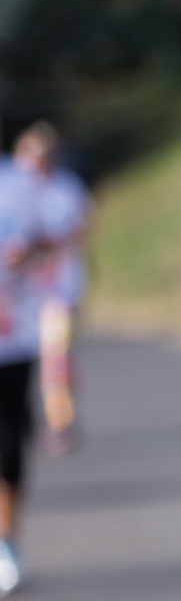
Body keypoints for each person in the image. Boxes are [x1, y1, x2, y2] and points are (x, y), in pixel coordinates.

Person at [0, 122, 56, 597]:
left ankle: (7, 544)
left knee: (8, 442)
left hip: (12, 334)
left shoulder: (19, 183)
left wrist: (28, 252)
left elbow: (51, 239)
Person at [14, 123, 92, 455]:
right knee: (21, 363)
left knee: (56, 358)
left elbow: (82, 230)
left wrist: (45, 245)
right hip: (17, 296)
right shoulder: (12, 190)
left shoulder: (66, 188)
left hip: (58, 291)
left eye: (44, 155)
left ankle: (60, 421)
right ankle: (24, 413)